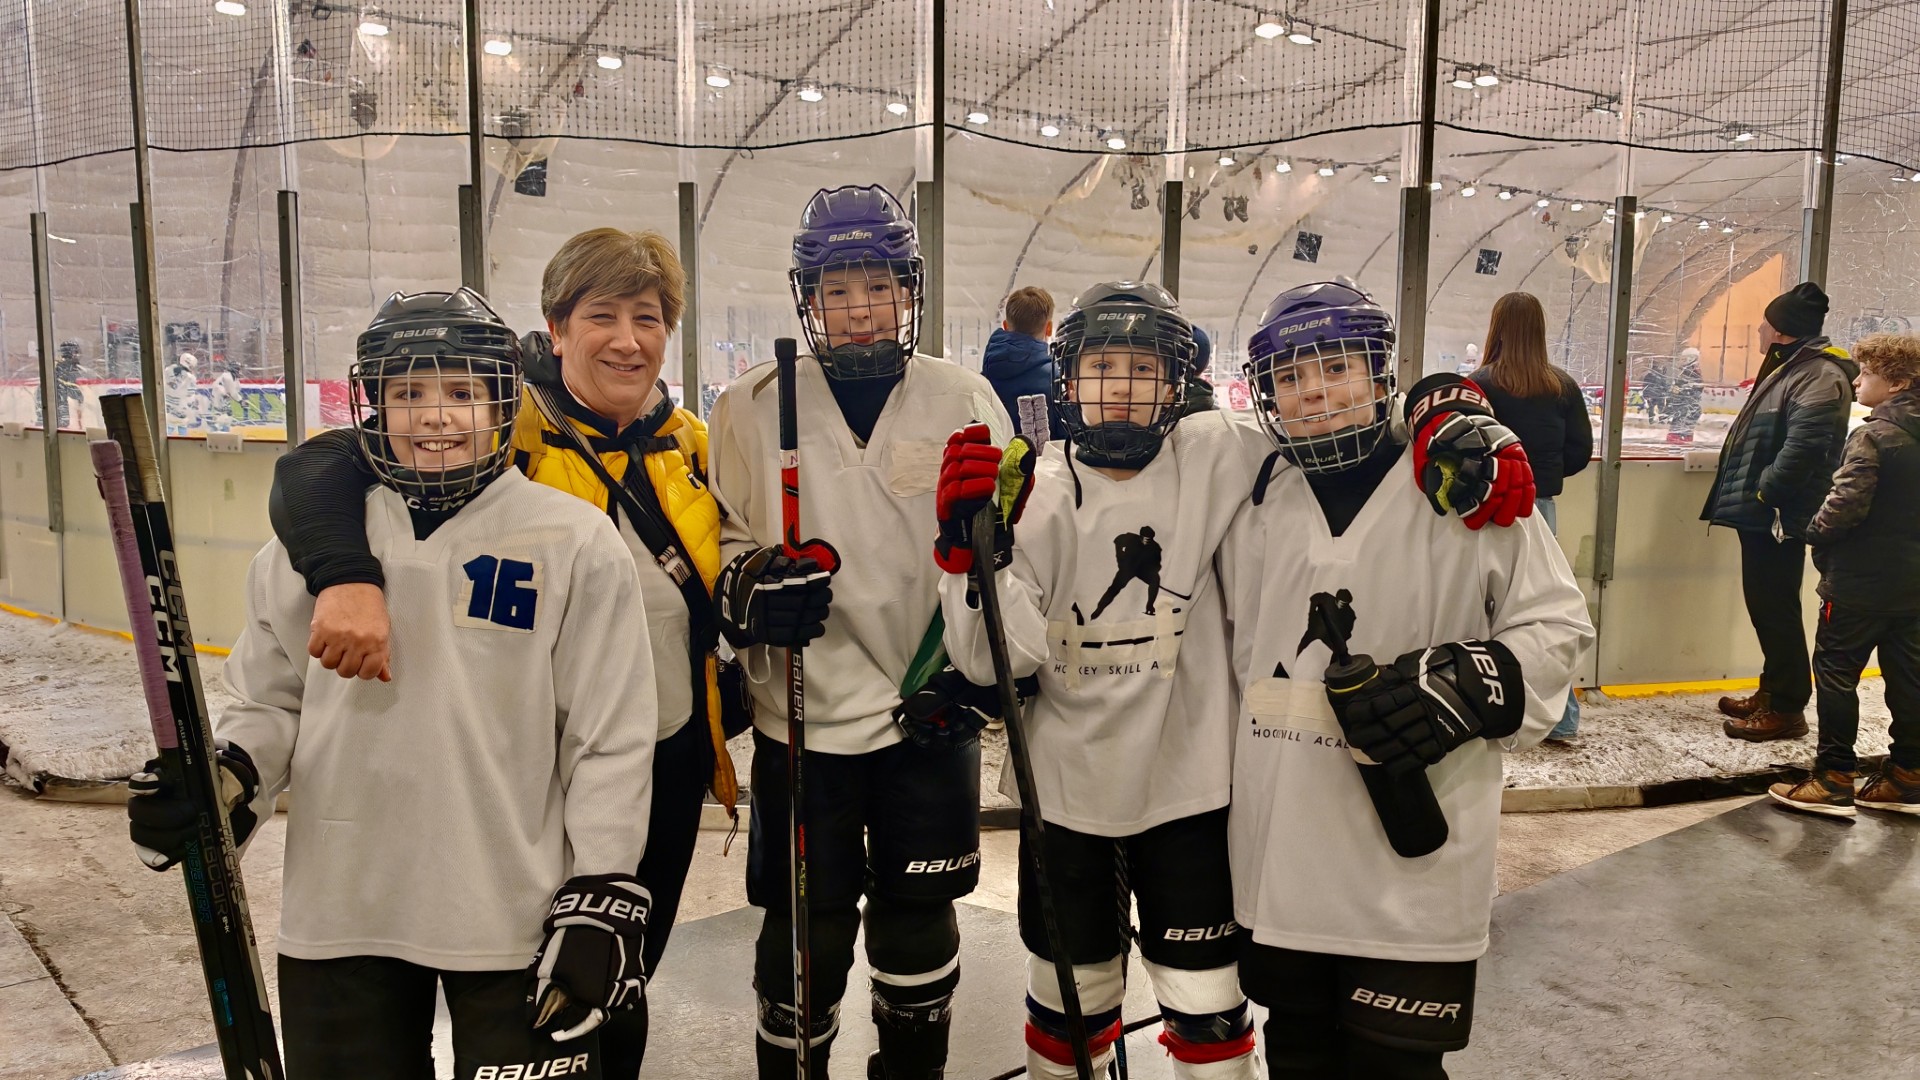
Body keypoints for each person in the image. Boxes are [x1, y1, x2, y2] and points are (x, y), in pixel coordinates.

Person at [127, 289, 659, 1078]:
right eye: (409, 393)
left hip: (511, 908)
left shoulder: (572, 540)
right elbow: (270, 698)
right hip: (344, 906)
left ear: (499, 402)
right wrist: (228, 776)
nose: (435, 416)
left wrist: (600, 886)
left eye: (460, 392)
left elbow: (607, 736)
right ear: (372, 404)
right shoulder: (308, 550)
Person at [264, 229, 728, 1078]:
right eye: (603, 315)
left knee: (616, 977)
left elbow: (719, 548)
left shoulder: (690, 440)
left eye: (649, 317)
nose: (628, 338)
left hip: (661, 745)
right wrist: (342, 573)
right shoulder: (498, 420)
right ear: (554, 330)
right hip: (529, 769)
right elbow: (321, 466)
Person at [1222, 280, 1591, 1078]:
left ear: (1381, 372)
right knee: (1297, 1052)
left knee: (1399, 1068)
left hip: (1416, 866)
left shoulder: (1463, 477)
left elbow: (1558, 625)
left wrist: (1474, 684)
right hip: (1279, 850)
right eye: (1290, 377)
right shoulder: (1251, 493)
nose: (1313, 390)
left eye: (1337, 366)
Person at [707, 184, 1011, 1080]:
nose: (859, 309)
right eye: (837, 290)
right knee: (804, 932)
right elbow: (723, 536)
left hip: (927, 712)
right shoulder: (750, 405)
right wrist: (754, 590)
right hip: (803, 722)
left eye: (877, 286)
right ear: (808, 298)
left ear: (908, 289)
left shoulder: (966, 395)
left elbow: (1005, 552)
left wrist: (976, 679)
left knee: (919, 921)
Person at [934, 283, 1262, 1080]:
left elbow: (1329, 420)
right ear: (1067, 380)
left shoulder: (1216, 454)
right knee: (1068, 1015)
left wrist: (1437, 406)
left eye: (1142, 367)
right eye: (1102, 365)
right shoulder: (1034, 489)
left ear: (1176, 381)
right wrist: (964, 554)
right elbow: (992, 663)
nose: (1121, 386)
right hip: (1066, 801)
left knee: (1210, 1011)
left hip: (1187, 795)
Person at [1768, 334, 1920, 817]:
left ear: (1897, 382)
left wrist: (1813, 534)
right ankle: (1907, 775)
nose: (1857, 380)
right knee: (1908, 677)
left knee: (1836, 674)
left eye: (1868, 373)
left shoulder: (1874, 435)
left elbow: (1843, 508)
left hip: (1858, 582)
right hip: (1914, 585)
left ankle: (1833, 777)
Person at [1704, 281, 1857, 742]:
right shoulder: (1792, 368)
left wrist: (1766, 496)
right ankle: (1773, 690)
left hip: (1778, 514)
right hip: (1766, 512)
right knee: (1766, 604)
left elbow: (1806, 446)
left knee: (1775, 607)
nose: (1758, 329)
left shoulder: (1818, 375)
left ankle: (1788, 707)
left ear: (1782, 331)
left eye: (1764, 323)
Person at [1472, 291, 1594, 741]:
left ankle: (1489, 710)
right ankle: (1562, 721)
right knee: (1543, 612)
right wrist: (1545, 475)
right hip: (1540, 508)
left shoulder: (1480, 384)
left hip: (1489, 511)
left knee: (1487, 611)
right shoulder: (1561, 386)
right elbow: (1580, 450)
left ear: (1497, 328)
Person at [983, 285, 1065, 439]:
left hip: (995, 461)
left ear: (1006, 326)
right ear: (1049, 328)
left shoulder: (984, 378)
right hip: (1041, 462)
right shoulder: (1057, 379)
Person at [1667, 347, 1703, 444]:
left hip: (1685, 405)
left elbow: (1679, 389)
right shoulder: (1689, 373)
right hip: (1685, 405)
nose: (1681, 361)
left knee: (1684, 420)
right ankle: (1682, 437)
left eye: (1684, 359)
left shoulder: (1689, 373)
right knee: (1684, 421)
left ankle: (1680, 437)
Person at [1640, 358, 1670, 425]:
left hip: (1652, 395)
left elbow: (1645, 386)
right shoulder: (1661, 376)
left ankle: (1651, 420)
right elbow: (1665, 385)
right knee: (1661, 407)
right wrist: (1666, 392)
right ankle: (1661, 420)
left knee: (1651, 408)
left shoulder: (1648, 376)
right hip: (1659, 395)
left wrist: (1646, 395)